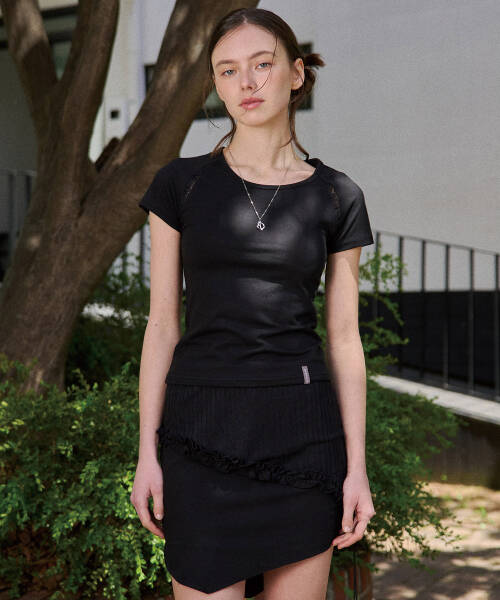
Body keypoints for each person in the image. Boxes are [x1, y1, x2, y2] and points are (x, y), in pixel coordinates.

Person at [131, 7, 376, 600]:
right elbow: (161, 325)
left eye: (262, 64)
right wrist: (146, 454)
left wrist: (357, 469)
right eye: (228, 70)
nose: (246, 82)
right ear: (216, 85)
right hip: (199, 434)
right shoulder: (180, 185)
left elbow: (344, 338)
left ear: (296, 73)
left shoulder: (337, 195)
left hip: (303, 439)